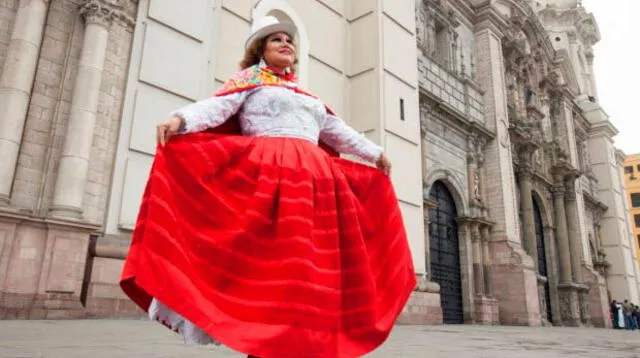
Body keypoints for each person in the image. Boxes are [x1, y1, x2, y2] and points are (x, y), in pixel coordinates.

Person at [120, 15, 416, 358]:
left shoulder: (305, 94)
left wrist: (375, 153)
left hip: (315, 187)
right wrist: (180, 120)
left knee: (306, 268)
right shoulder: (248, 82)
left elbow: (336, 130)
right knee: (271, 267)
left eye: (289, 40)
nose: (286, 43)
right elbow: (216, 109)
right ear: (261, 50)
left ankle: (302, 339)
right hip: (267, 184)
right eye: (276, 40)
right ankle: (262, 344)